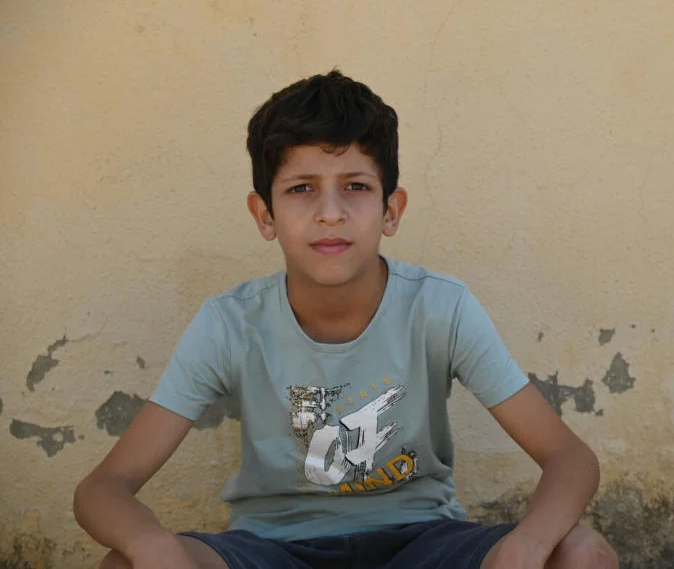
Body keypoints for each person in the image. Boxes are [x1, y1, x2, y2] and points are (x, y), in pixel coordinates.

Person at [74, 70, 618, 569]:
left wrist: (529, 541)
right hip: (272, 549)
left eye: (355, 186)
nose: (330, 211)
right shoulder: (230, 325)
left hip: (421, 542)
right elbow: (104, 487)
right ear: (265, 215)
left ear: (391, 210)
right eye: (301, 188)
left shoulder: (439, 308)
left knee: (581, 554)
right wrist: (152, 545)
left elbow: (569, 457)